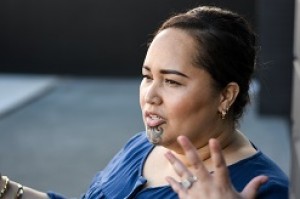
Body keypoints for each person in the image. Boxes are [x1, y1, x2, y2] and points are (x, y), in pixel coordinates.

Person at [0, 5, 289, 199]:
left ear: (226, 95)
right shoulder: (141, 146)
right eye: (147, 76)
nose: (149, 95)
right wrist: (7, 190)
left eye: (172, 81)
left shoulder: (261, 186)